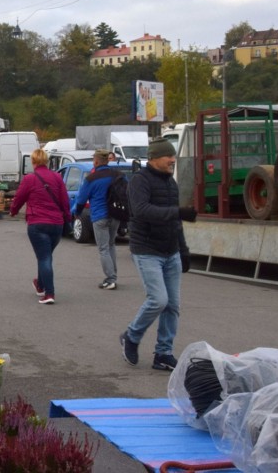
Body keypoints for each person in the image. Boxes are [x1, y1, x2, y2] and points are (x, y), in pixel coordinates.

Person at [120, 138, 196, 371]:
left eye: (173, 156)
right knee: (158, 300)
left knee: (172, 305)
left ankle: (163, 353)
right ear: (153, 159)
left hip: (170, 251)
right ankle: (131, 336)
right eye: (168, 156)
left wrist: (183, 250)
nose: (173, 160)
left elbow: (175, 221)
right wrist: (177, 211)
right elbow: (142, 211)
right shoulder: (139, 181)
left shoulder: (170, 184)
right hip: (147, 250)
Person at [9, 148, 70, 305]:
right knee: (46, 256)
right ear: (47, 161)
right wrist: (67, 218)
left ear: (33, 162)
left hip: (37, 223)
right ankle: (40, 285)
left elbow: (19, 197)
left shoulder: (30, 179)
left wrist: (13, 211)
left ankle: (49, 293)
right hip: (57, 224)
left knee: (44, 257)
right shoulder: (57, 177)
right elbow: (64, 200)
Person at [73, 148, 121, 290]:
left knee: (103, 248)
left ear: (96, 161)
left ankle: (110, 279)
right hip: (116, 214)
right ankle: (113, 275)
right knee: (111, 244)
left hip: (99, 215)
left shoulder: (91, 179)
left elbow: (81, 199)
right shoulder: (118, 175)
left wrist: (77, 212)